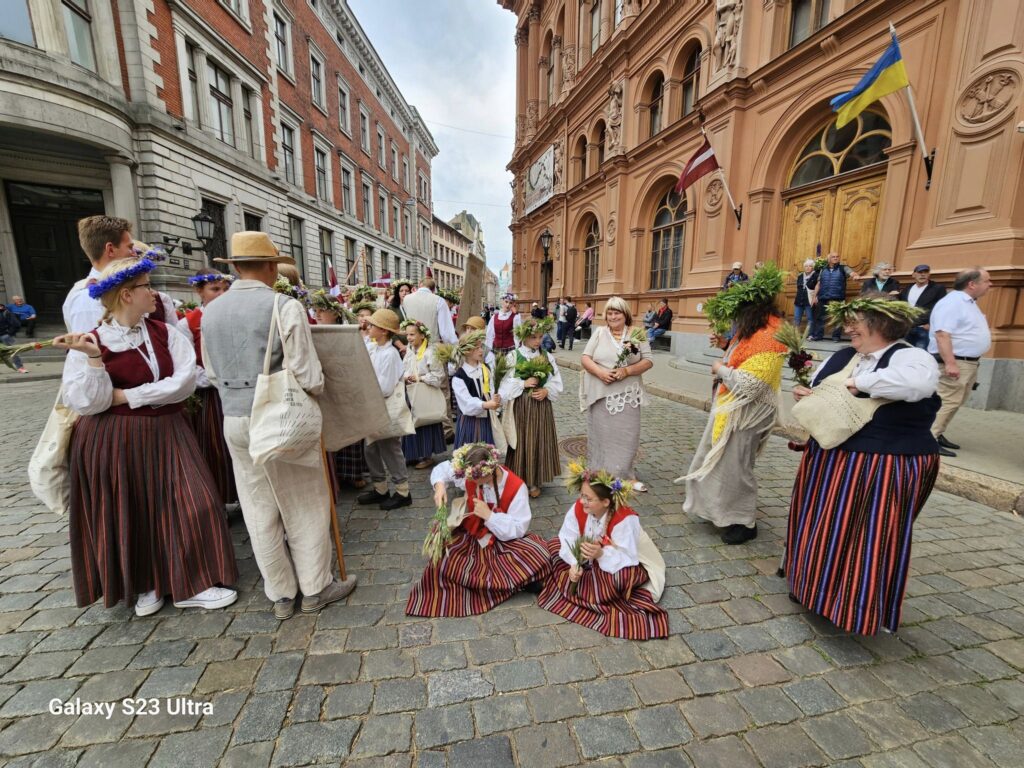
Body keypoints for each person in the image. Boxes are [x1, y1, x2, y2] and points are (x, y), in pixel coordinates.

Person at [54, 256, 238, 616]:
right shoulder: (93, 341)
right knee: (133, 508)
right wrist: (94, 361)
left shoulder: (164, 333)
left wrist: (128, 396)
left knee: (193, 501)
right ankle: (146, 585)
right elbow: (87, 401)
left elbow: (183, 382)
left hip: (168, 431)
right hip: (113, 440)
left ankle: (190, 582)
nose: (153, 292)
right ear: (126, 295)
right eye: (146, 287)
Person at [202, 232, 355, 620]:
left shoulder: (211, 311)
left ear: (235, 267)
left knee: (257, 507)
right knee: (305, 502)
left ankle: (282, 594)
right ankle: (316, 587)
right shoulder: (282, 306)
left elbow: (211, 371)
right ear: (271, 267)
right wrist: (319, 388)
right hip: (280, 418)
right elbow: (306, 372)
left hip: (234, 417)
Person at [786, 296, 940, 635]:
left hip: (885, 466)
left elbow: (917, 386)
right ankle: (811, 588)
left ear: (883, 323)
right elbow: (821, 389)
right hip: (831, 457)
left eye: (856, 321)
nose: (848, 327)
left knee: (870, 537)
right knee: (822, 527)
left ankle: (854, 608)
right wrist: (807, 394)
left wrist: (857, 383)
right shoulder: (844, 356)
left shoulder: (912, 357)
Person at [680, 264, 787, 544]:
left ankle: (744, 521)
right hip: (733, 409)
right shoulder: (754, 331)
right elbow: (742, 360)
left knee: (737, 467)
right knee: (719, 463)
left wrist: (720, 369)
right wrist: (725, 345)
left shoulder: (770, 336)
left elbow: (751, 384)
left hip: (748, 413)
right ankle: (718, 510)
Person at [406, 443, 551, 617]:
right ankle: (518, 579)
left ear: (489, 472)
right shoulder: (471, 473)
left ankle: (515, 578)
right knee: (444, 561)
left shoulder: (516, 487)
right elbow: (442, 469)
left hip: (505, 541)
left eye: (477, 481)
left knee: (539, 551)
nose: (470, 483)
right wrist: (439, 487)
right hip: (472, 537)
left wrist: (490, 516)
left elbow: (518, 529)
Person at [537, 461, 668, 640]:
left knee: (619, 579)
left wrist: (601, 555)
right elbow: (568, 536)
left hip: (626, 559)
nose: (582, 501)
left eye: (589, 499)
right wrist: (575, 564)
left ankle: (591, 592)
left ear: (606, 502)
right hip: (589, 557)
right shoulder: (580, 507)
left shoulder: (624, 520)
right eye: (582, 495)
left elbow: (628, 557)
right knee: (553, 546)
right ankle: (583, 583)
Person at [580, 297, 654, 491]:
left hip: (628, 394)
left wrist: (627, 371)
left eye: (617, 313)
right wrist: (600, 373)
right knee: (602, 435)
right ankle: (600, 472)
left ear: (625, 314)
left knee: (627, 435)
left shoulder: (637, 333)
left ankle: (626, 476)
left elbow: (648, 360)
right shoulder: (599, 333)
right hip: (601, 393)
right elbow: (585, 358)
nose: (613, 317)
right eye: (610, 313)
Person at [179, 270, 237, 508]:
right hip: (209, 396)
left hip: (235, 391)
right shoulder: (187, 323)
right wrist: (215, 379)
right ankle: (218, 501)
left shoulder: (235, 316)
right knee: (213, 448)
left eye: (225, 289)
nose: (222, 294)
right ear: (199, 291)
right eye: (215, 290)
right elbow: (187, 365)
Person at [928, 268, 992, 457]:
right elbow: (942, 334)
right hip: (956, 361)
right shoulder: (953, 303)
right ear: (972, 284)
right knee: (947, 401)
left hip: (968, 362)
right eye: (987, 281)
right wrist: (950, 363)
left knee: (955, 401)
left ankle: (938, 433)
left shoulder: (968, 303)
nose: (990, 284)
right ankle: (929, 439)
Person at [499, 316, 562, 498]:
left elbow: (556, 381)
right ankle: (518, 478)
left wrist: (546, 391)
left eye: (540, 337)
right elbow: (504, 384)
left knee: (538, 439)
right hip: (521, 407)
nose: (537, 341)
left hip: (541, 407)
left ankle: (535, 479)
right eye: (533, 337)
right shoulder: (513, 356)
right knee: (521, 440)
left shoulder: (546, 356)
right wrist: (522, 383)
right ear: (524, 337)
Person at [357, 309, 413, 510]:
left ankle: (403, 491)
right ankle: (380, 488)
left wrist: (364, 387)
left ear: (383, 331)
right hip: (373, 406)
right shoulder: (374, 348)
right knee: (370, 448)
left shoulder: (390, 354)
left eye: (372, 325)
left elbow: (386, 387)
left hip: (384, 406)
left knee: (390, 448)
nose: (368, 327)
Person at [64, 215, 135, 333]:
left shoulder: (120, 286)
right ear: (110, 249)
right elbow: (92, 348)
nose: (135, 254)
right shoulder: (89, 299)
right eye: (130, 247)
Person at [401, 319, 447, 470]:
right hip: (411, 391)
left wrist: (420, 378)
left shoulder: (430, 352)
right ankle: (412, 454)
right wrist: (406, 377)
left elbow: (438, 376)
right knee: (412, 422)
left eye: (412, 334)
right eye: (407, 335)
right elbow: (405, 368)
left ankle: (426, 455)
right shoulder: (409, 351)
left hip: (424, 392)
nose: (409, 338)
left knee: (425, 421)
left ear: (422, 335)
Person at [451, 329, 501, 448]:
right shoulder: (459, 377)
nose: (481, 350)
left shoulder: (485, 369)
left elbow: (491, 389)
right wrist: (485, 404)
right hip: (469, 423)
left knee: (486, 454)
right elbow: (466, 403)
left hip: (486, 420)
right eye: (477, 348)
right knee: (470, 455)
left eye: (481, 347)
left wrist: (495, 398)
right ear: (467, 351)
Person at [809, 251, 861, 341]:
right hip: (823, 297)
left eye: (837, 256)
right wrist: (814, 297)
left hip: (837, 297)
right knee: (820, 317)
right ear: (829, 259)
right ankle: (818, 335)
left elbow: (851, 273)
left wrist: (855, 275)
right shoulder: (823, 269)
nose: (836, 258)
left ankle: (836, 336)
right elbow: (818, 284)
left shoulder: (843, 268)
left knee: (838, 318)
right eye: (833, 257)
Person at [898, 264, 946, 350]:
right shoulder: (908, 288)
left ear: (929, 274)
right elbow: (901, 305)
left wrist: (931, 324)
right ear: (913, 275)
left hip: (924, 329)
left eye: (925, 272)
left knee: (920, 356)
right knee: (904, 353)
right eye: (920, 272)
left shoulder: (937, 288)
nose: (923, 274)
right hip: (907, 328)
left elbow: (942, 308)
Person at [403, 277, 458, 345]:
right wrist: (454, 346)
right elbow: (446, 332)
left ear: (420, 285)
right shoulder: (439, 301)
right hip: (431, 348)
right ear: (433, 289)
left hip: (412, 347)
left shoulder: (406, 298)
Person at [486, 293, 522, 357]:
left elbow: (517, 335)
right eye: (506, 302)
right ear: (502, 301)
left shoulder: (515, 317)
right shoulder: (494, 317)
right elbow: (490, 334)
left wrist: (517, 350)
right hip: (496, 350)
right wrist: (489, 350)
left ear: (513, 304)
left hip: (510, 350)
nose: (508, 304)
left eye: (510, 303)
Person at [0, 305, 27, 372]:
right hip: (5, 335)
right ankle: (20, 368)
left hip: (5, 336)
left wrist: (9, 333)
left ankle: (20, 367)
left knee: (13, 351)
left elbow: (16, 324)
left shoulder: (6, 313)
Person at [793, 259, 818, 331]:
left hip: (809, 300)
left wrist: (816, 297)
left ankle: (810, 334)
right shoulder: (800, 276)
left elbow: (818, 287)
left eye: (810, 266)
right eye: (806, 266)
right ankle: (795, 335)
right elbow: (798, 287)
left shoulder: (816, 276)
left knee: (810, 318)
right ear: (804, 267)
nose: (808, 267)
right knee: (796, 318)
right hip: (799, 300)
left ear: (813, 267)